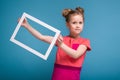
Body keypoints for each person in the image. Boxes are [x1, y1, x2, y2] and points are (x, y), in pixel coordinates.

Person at [19, 6, 91, 80]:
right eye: (74, 23)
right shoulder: (61, 39)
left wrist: (61, 45)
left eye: (80, 23)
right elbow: (42, 37)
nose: (78, 25)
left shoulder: (85, 41)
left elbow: (76, 55)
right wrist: (27, 25)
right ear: (67, 24)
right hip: (57, 76)